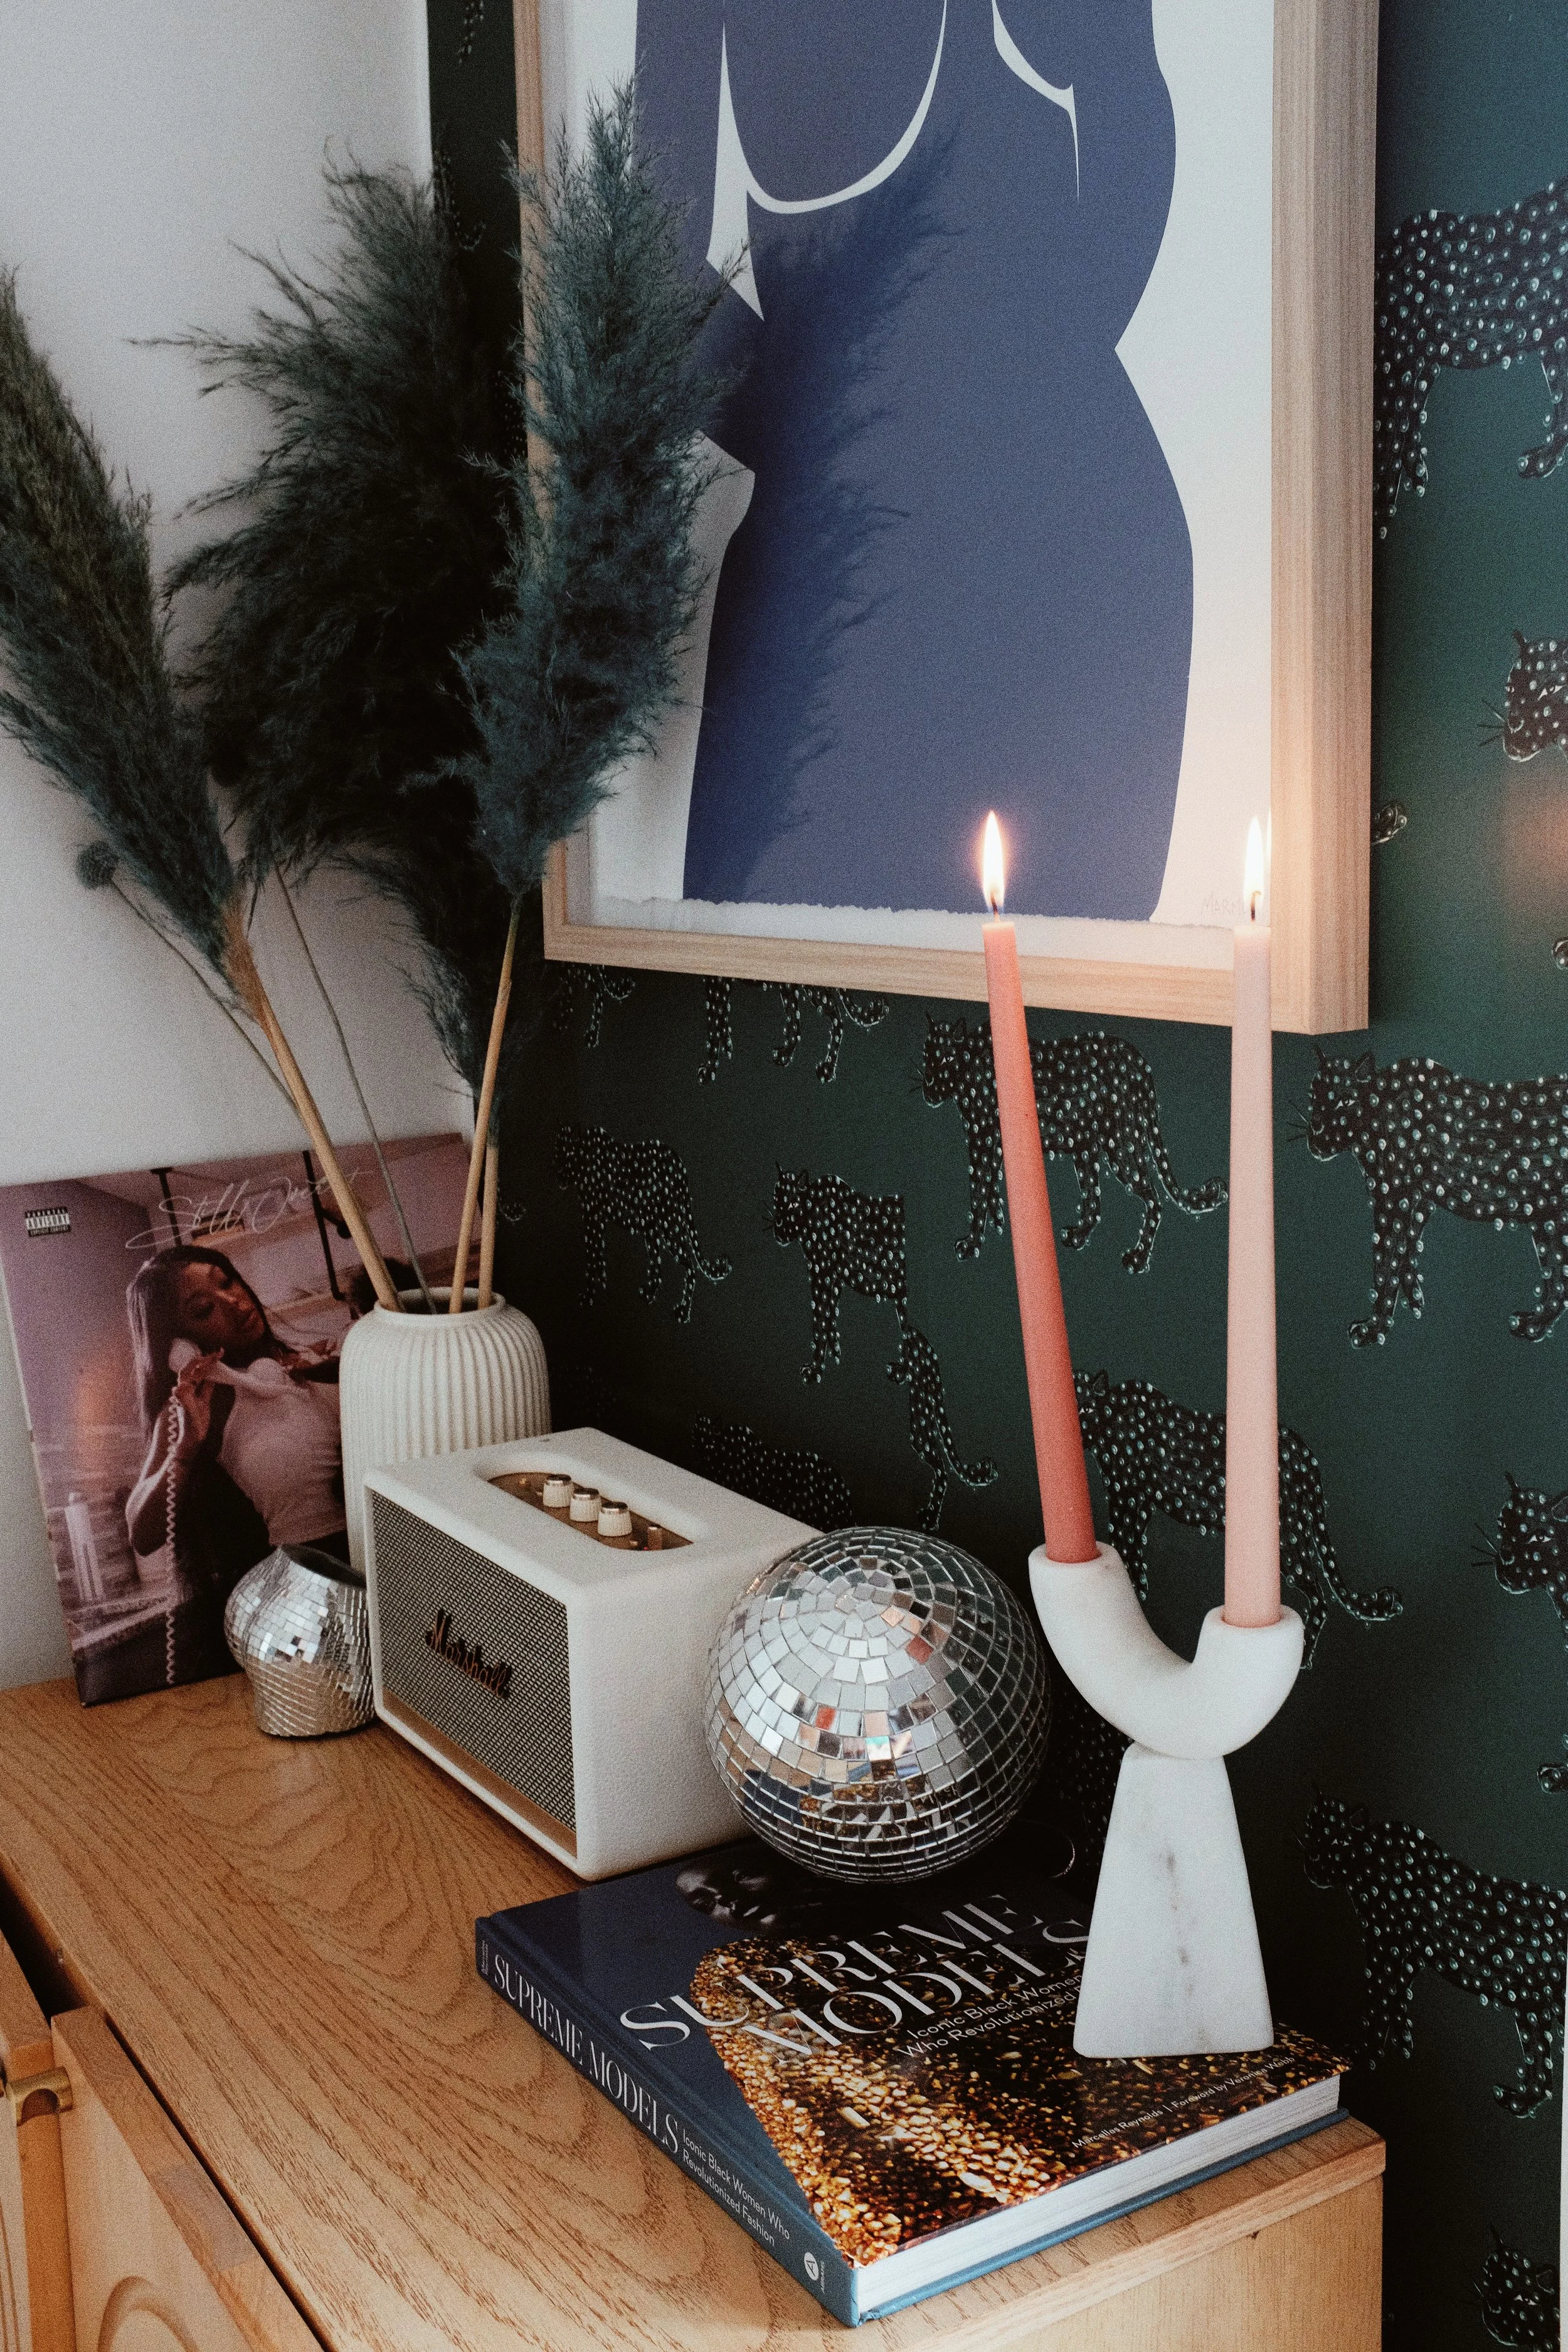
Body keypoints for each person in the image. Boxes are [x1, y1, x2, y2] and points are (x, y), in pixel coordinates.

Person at [125, 1246, 347, 1624]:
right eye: (204, 1310)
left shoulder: (300, 1364)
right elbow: (142, 1533)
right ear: (181, 1343)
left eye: (227, 1282)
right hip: (317, 1596)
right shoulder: (197, 1409)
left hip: (386, 1555)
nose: (233, 1301)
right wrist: (184, 1451)